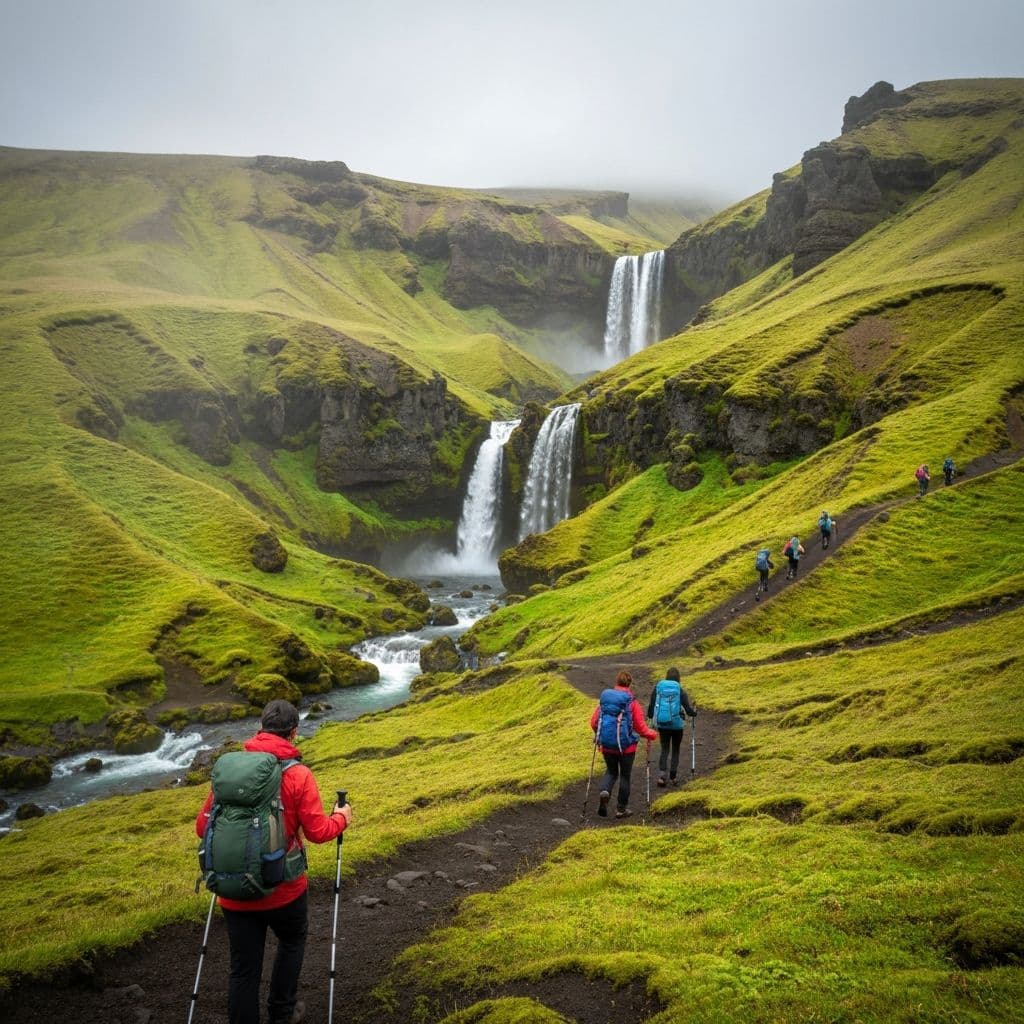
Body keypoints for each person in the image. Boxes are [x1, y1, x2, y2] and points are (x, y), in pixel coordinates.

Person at [196, 700, 353, 1024]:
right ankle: (282, 1012)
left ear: (260, 727)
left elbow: (203, 826)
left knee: (243, 967)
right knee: (292, 940)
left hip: (234, 890)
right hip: (285, 888)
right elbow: (318, 832)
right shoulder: (298, 774)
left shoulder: (229, 771)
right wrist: (342, 818)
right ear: (294, 732)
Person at [590, 670, 658, 818]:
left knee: (611, 772)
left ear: (617, 682)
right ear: (629, 683)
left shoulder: (606, 701)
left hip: (608, 745)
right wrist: (651, 734)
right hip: (627, 748)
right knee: (625, 776)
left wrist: (600, 735)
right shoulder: (631, 702)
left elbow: (594, 722)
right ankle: (621, 809)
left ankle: (605, 791)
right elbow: (640, 727)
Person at [646, 667, 697, 786]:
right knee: (675, 749)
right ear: (678, 678)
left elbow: (652, 705)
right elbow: (689, 711)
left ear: (667, 676)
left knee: (664, 749)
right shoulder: (679, 690)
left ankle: (662, 776)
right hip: (677, 724)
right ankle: (673, 776)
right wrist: (694, 712)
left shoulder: (658, 688)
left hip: (662, 724)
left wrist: (650, 717)